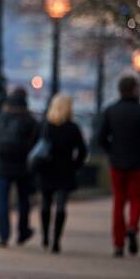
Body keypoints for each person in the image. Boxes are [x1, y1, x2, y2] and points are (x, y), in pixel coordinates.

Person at [97, 74, 140, 257]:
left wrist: (112, 151)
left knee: (119, 202)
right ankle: (132, 226)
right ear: (134, 89)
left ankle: (118, 243)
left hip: (117, 162)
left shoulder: (111, 111)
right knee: (136, 199)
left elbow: (101, 137)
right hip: (137, 163)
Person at [0, 87, 39, 247]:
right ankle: (22, 232)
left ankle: (3, 236)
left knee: (2, 202)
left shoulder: (0, 119)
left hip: (2, 166)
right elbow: (37, 147)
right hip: (23, 168)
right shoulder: (31, 121)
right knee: (24, 202)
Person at [35, 94, 87, 254]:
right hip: (65, 170)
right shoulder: (73, 127)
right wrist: (74, 165)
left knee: (45, 203)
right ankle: (56, 241)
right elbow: (83, 151)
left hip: (46, 169)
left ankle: (45, 237)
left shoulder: (45, 125)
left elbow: (35, 147)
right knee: (61, 205)